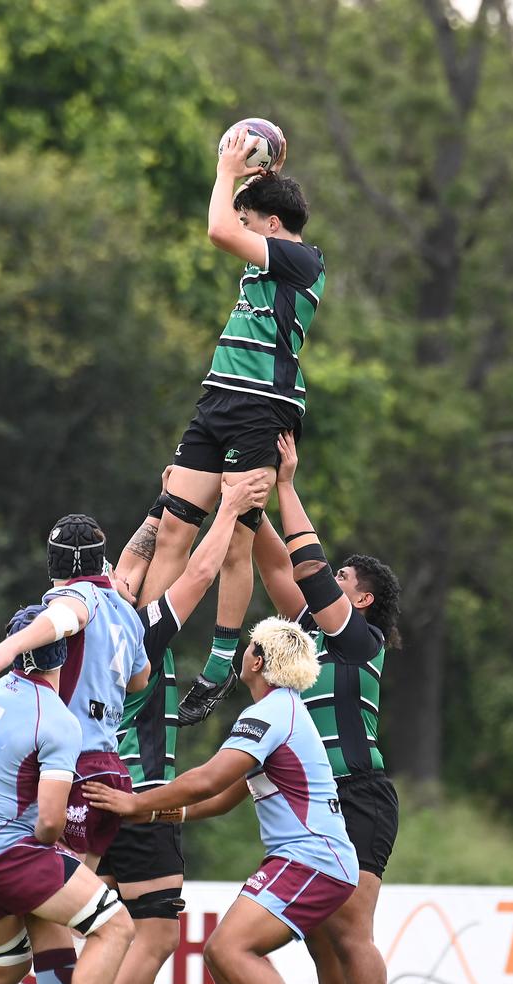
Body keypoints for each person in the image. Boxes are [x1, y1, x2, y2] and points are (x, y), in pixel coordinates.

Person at [137, 126, 326, 727]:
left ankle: (220, 659)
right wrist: (254, 178)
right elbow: (229, 227)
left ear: (272, 225)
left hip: (261, 407)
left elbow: (219, 229)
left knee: (239, 539)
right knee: (173, 525)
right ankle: (142, 645)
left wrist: (227, 172)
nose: (240, 230)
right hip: (218, 400)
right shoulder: (270, 264)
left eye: (251, 220)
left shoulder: (302, 259)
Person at [84, 616, 359, 984]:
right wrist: (150, 813)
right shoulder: (286, 710)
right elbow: (223, 798)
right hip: (310, 859)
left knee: (231, 949)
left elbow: (206, 781)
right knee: (219, 954)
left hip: (311, 860)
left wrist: (135, 802)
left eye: (249, 647)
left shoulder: (270, 713)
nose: (244, 654)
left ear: (258, 662)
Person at [0, 513, 151, 984]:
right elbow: (138, 677)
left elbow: (65, 616)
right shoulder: (121, 610)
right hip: (92, 767)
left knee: (19, 955)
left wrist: (7, 650)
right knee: (108, 925)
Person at [96, 473, 270, 984]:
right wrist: (228, 505)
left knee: (98, 930)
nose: (129, 576)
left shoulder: (85, 633)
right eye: (119, 580)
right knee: (155, 936)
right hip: (141, 796)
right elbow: (198, 571)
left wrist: (171, 495)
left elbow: (139, 552)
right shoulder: (139, 634)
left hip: (88, 790)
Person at [253, 430, 401, 984]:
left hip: (361, 792)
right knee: (317, 934)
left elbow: (308, 567)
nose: (330, 581)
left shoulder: (359, 638)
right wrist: (246, 506)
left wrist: (286, 485)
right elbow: (277, 567)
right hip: (318, 797)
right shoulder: (311, 634)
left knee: (349, 930)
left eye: (344, 580)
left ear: (360, 600)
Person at [0, 605, 134, 984]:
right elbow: (48, 823)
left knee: (5, 968)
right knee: (116, 927)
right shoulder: (58, 720)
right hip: (3, 853)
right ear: (64, 653)